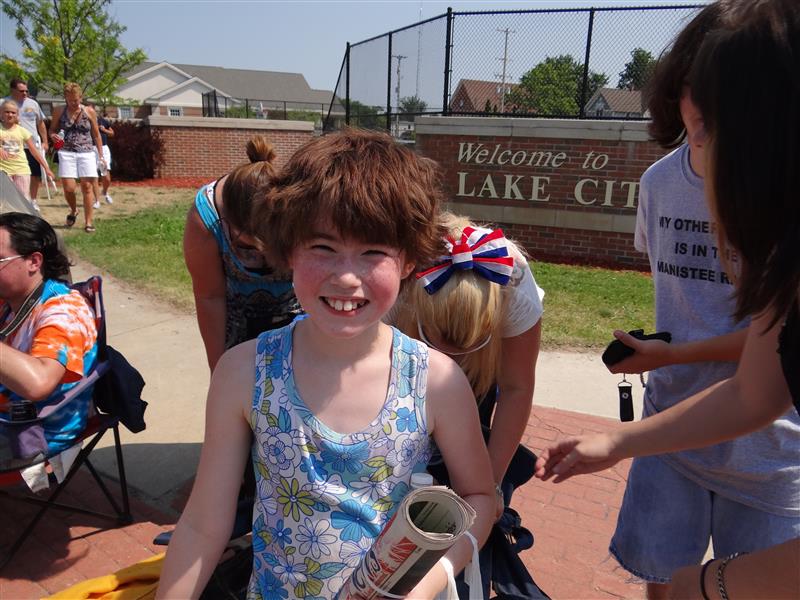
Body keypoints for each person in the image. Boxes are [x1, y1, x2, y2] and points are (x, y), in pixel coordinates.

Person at [156, 130, 495, 599]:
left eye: (373, 252)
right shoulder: (243, 372)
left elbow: (480, 498)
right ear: (287, 250)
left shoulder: (436, 381)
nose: (347, 277)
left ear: (407, 262)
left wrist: (427, 583)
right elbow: (201, 524)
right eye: (322, 247)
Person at [535, 1, 800, 598]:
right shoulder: (776, 250)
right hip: (677, 434)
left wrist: (711, 585)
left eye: (709, 132)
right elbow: (756, 391)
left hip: (771, 465)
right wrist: (619, 440)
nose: (696, 154)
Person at [392, 212, 544, 598]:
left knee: (470, 516)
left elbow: (516, 388)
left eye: (465, 347)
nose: (451, 359)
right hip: (397, 386)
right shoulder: (399, 282)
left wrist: (488, 485)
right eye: (440, 342)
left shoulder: (513, 283)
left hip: (480, 386)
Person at [183, 135, 300, 372]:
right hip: (238, 322)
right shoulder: (208, 216)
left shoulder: (301, 208)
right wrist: (219, 369)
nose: (263, 254)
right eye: (248, 248)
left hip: (298, 318)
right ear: (227, 222)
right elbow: (209, 296)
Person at [0, 212, 97, 454]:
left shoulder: (63, 311)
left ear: (34, 261)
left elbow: (39, 383)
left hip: (33, 434)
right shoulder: (12, 301)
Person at [49, 82, 105, 233]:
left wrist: (101, 155)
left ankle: (88, 222)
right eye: (70, 100)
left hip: (86, 152)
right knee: (69, 188)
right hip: (66, 151)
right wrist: (53, 136)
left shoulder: (89, 111)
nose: (73, 103)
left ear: (81, 97)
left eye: (76, 100)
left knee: (87, 186)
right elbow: (52, 129)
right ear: (65, 98)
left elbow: (96, 134)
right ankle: (74, 210)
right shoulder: (59, 110)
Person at [0, 100, 54, 206]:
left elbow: (34, 151)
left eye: (13, 112)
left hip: (21, 169)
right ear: (1, 113)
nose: (10, 115)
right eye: (7, 112)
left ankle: (21, 216)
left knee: (23, 199)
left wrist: (46, 168)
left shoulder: (22, 131)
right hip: (3, 170)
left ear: (17, 115)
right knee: (5, 199)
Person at [4, 78, 49, 205]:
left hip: (31, 145)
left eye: (26, 91)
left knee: (34, 174)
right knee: (9, 174)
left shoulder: (33, 104)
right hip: (10, 145)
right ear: (12, 90)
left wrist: (45, 141)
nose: (25, 93)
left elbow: (40, 123)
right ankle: (11, 200)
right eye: (21, 91)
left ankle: (32, 201)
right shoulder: (3, 103)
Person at [87, 102, 114, 208]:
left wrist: (104, 130)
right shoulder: (85, 122)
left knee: (106, 177)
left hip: (103, 148)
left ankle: (105, 192)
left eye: (91, 109)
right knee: (94, 175)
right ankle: (97, 200)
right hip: (91, 149)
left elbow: (112, 133)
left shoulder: (103, 121)